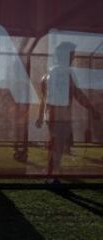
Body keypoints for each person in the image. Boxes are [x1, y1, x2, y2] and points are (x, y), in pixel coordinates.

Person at [35, 42, 100, 181]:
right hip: (58, 116)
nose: (73, 57)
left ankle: (52, 174)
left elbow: (44, 98)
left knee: (57, 145)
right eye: (72, 54)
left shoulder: (48, 74)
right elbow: (77, 94)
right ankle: (51, 177)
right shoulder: (65, 73)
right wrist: (92, 109)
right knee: (57, 146)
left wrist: (40, 117)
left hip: (54, 115)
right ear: (64, 56)